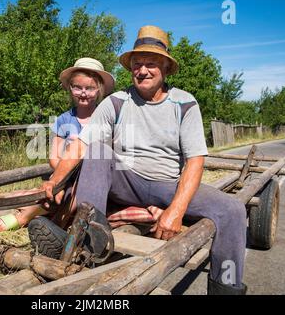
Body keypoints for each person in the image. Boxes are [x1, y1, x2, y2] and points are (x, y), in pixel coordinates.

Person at [34, 25, 248, 295]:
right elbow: (80, 144)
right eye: (137, 64)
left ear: (166, 68)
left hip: (169, 184)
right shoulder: (116, 102)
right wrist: (54, 180)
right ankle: (89, 238)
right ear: (130, 68)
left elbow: (195, 161)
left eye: (151, 64)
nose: (142, 70)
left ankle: (225, 288)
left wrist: (176, 211)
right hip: (127, 180)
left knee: (233, 211)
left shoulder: (185, 104)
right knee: (100, 149)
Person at [0, 57, 115, 232]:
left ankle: (47, 220)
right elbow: (54, 157)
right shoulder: (64, 120)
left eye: (90, 88)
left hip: (94, 175)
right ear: (70, 89)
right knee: (57, 189)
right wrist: (65, 174)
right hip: (65, 173)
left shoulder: (105, 118)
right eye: (77, 87)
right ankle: (32, 216)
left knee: (78, 190)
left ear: (99, 90)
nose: (83, 93)